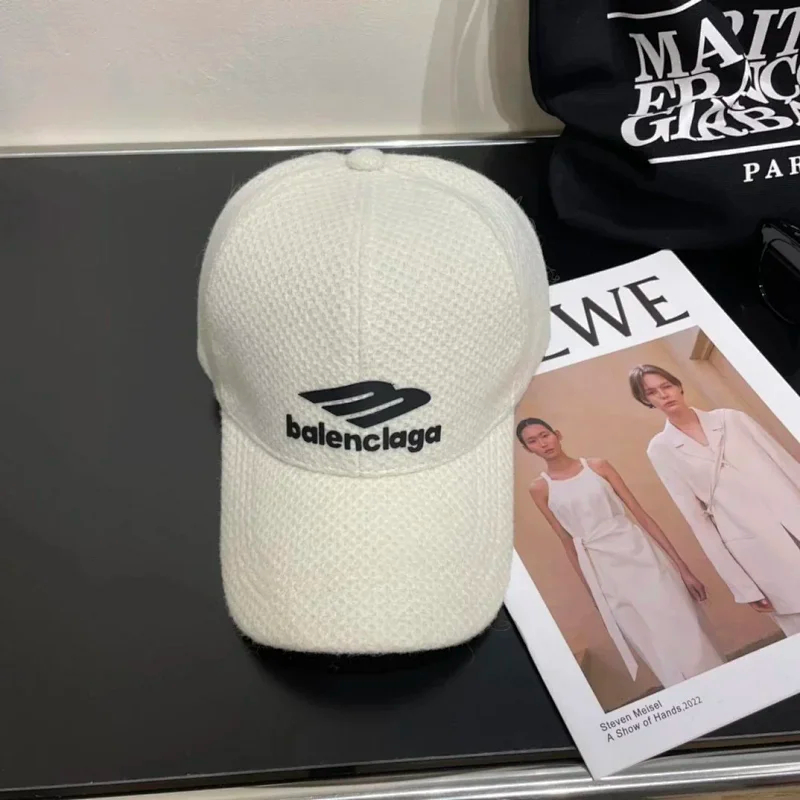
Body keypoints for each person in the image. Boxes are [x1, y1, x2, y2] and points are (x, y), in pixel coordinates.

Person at [517, 418, 723, 687]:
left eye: (545, 435)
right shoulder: (540, 489)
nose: (543, 443)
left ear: (557, 434)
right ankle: (685, 697)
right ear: (528, 449)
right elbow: (566, 541)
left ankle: (718, 684)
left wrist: (682, 568)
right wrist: (594, 595)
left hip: (638, 552)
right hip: (602, 570)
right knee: (648, 638)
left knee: (680, 622)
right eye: (533, 441)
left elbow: (641, 515)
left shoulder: (597, 466)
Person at [631, 364, 800, 637]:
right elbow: (696, 519)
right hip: (755, 545)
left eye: (666, 386)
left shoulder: (732, 419)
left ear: (678, 386)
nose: (663, 395)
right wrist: (742, 586)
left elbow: (787, 465)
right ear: (646, 400)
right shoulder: (661, 449)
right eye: (652, 392)